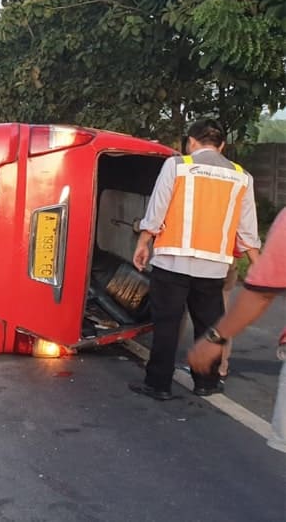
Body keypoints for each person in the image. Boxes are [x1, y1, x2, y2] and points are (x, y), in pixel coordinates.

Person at [130, 118, 260, 401]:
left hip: (172, 261)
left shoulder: (177, 166)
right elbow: (247, 230)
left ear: (191, 142)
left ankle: (158, 384)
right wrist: (258, 265)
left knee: (167, 324)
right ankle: (207, 382)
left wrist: (143, 242)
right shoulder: (242, 177)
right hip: (213, 267)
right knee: (209, 327)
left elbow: (157, 209)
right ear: (222, 145)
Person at [188, 208, 286, 453]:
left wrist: (214, 338)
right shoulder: (241, 178)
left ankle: (217, 369)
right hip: (221, 262)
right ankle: (219, 371)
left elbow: (261, 294)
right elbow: (247, 227)